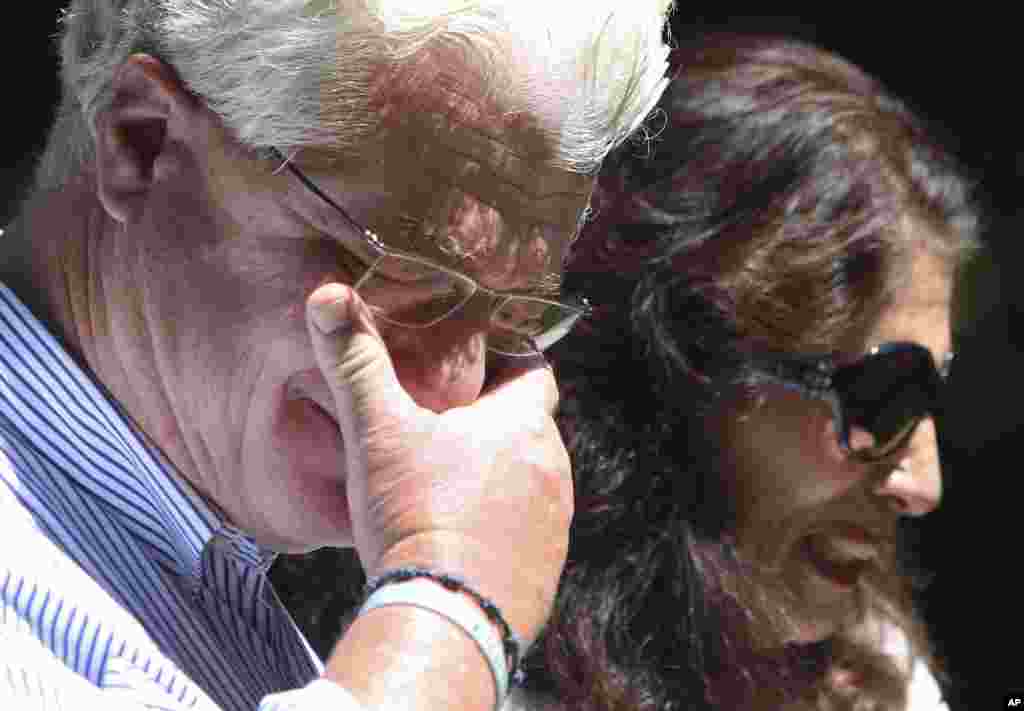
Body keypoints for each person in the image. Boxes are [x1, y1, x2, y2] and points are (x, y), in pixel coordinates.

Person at [0, 2, 673, 710]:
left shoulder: (210, 574)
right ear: (141, 142)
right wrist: (451, 606)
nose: (451, 389)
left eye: (512, 321)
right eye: (402, 278)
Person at [520, 36, 979, 710]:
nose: (924, 485)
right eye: (885, 396)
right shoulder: (472, 667)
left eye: (929, 396)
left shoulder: (873, 674)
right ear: (685, 367)